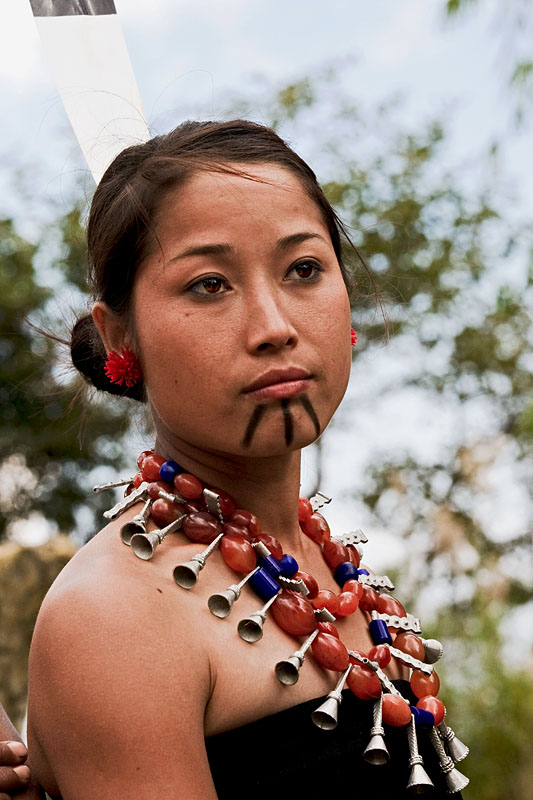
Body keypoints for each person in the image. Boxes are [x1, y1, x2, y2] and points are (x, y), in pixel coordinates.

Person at [0, 119, 466, 798]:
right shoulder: (115, 619)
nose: (275, 326)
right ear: (119, 334)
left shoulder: (334, 575)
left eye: (303, 270)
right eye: (209, 285)